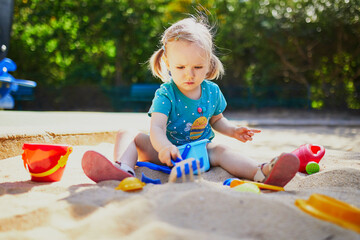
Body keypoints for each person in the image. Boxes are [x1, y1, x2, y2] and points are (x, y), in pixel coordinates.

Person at [82, 17, 300, 187]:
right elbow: (156, 127)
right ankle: (125, 170)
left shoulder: (212, 91)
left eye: (197, 67)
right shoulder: (166, 93)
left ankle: (260, 172)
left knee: (222, 151)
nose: (190, 75)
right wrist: (165, 147)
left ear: (208, 63)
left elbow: (217, 120)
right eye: (180, 67)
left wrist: (233, 131)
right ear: (167, 62)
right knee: (127, 133)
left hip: (199, 150)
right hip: (163, 151)